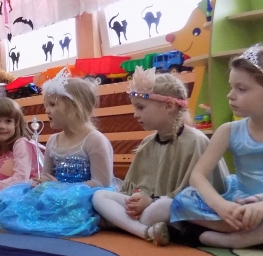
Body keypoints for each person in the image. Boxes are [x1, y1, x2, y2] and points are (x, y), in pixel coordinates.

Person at [93, 69, 226, 246]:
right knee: (100, 196)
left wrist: (151, 201)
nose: (135, 114)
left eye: (141, 107)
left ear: (169, 106)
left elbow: (193, 198)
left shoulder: (196, 141)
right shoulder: (148, 142)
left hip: (176, 210)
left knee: (161, 208)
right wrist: (137, 199)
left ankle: (130, 225)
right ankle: (146, 231)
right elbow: (134, 189)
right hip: (148, 208)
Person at [0, 72, 114, 236]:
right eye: (46, 105)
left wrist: (63, 187)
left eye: (53, 105)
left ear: (75, 106)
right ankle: (0, 211)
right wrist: (39, 184)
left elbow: (102, 183)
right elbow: (46, 176)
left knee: (52, 203)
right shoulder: (53, 140)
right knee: (9, 195)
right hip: (55, 193)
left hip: (81, 197)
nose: (47, 110)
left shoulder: (94, 140)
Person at [171, 45, 263, 248]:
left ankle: (234, 239)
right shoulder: (228, 130)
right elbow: (197, 176)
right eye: (231, 87)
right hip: (240, 204)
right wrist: (221, 206)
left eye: (241, 89)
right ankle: (250, 235)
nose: (230, 95)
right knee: (184, 199)